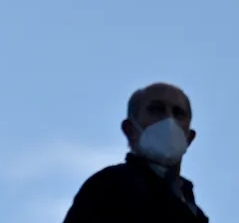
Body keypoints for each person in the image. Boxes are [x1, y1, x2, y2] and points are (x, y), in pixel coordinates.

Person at [62, 82, 211, 223]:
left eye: (178, 113)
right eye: (156, 109)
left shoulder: (195, 214)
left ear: (189, 138)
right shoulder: (108, 187)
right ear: (130, 129)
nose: (168, 120)